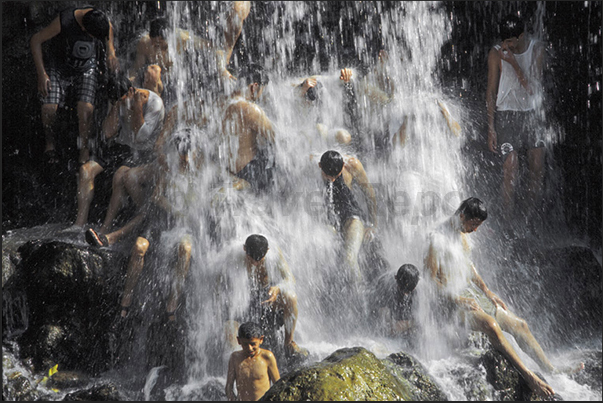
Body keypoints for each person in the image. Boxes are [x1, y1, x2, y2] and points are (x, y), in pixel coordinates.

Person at [424, 197, 584, 399]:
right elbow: (430, 281)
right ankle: (529, 377)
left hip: (468, 295)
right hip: (449, 304)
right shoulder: (436, 239)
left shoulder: (461, 233)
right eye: (473, 225)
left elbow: (468, 266)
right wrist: (456, 299)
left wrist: (487, 290)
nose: (474, 231)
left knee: (520, 325)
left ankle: (551, 370)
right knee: (492, 326)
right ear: (462, 215)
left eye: (477, 226)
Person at [74, 74, 164, 241]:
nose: (122, 103)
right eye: (118, 101)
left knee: (119, 176)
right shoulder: (119, 101)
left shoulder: (154, 104)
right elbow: (108, 132)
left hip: (142, 153)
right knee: (85, 170)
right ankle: (78, 225)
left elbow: (140, 138)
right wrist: (116, 106)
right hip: (121, 148)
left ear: (131, 90)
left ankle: (105, 229)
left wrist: (136, 107)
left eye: (122, 99)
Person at [30, 6, 118, 166]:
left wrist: (111, 51)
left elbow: (109, 27)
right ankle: (50, 144)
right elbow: (36, 40)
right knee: (49, 107)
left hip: (86, 68)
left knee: (85, 108)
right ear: (84, 28)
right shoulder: (64, 21)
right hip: (59, 67)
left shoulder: (97, 16)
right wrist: (41, 74)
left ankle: (84, 149)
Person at [486, 14, 547, 222]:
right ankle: (507, 221)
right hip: (507, 114)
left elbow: (532, 89)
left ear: (521, 36)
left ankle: (528, 219)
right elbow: (491, 91)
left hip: (531, 113)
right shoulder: (496, 53)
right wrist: (491, 127)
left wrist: (512, 62)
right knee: (510, 166)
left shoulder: (537, 50)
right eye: (505, 41)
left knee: (537, 166)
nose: (507, 45)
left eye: (511, 41)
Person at [218, 234, 305, 359]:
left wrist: (278, 288)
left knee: (290, 297)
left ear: (267, 251)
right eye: (250, 259)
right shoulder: (233, 258)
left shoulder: (274, 254)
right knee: (230, 330)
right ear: (244, 249)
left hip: (266, 300)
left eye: (260, 260)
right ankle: (241, 364)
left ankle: (289, 344)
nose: (255, 263)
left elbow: (290, 278)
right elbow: (218, 287)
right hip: (240, 305)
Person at [318, 150, 378, 283]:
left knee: (349, 259)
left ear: (343, 166)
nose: (332, 180)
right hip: (327, 221)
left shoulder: (353, 165)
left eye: (336, 176)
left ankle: (360, 295)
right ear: (319, 166)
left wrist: (373, 224)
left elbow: (369, 194)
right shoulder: (312, 167)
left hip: (351, 216)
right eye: (328, 176)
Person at [221, 64, 276, 193]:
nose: (261, 95)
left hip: (226, 168)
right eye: (262, 90)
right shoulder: (251, 110)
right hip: (247, 172)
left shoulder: (222, 102)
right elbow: (276, 137)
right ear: (254, 87)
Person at [225, 321, 280, 401]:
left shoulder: (267, 357)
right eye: (245, 344)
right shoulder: (235, 358)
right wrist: (233, 399)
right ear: (239, 341)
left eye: (253, 344)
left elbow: (278, 385)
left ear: (261, 339)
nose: (249, 348)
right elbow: (229, 387)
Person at [369, 264, 420, 340]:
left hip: (407, 322)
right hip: (387, 313)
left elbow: (424, 320)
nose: (406, 293)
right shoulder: (385, 285)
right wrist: (390, 325)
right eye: (403, 290)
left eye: (408, 291)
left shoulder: (422, 290)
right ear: (395, 278)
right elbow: (378, 310)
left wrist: (408, 324)